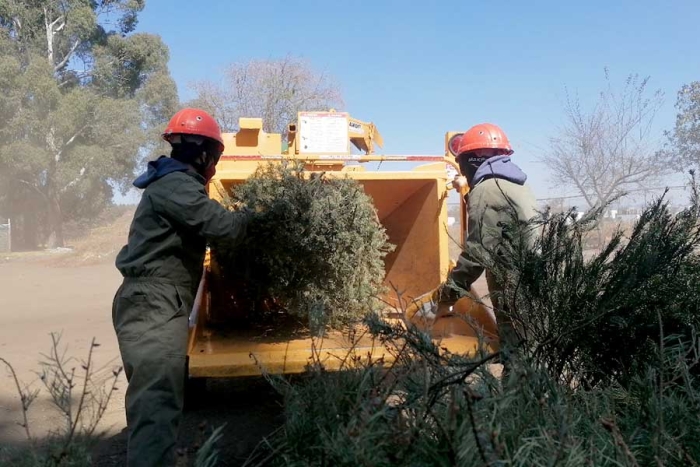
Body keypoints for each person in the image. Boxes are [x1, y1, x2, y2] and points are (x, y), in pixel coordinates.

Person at [112, 108, 251, 466]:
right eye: (215, 158)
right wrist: (259, 216)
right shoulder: (176, 186)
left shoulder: (170, 183)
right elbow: (224, 227)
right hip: (154, 306)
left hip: (155, 303)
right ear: (205, 154)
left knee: (154, 405)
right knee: (156, 406)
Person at [438, 123, 538, 355]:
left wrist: (448, 294)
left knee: (517, 358)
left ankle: (515, 391)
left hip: (514, 290)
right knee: (531, 352)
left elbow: (478, 253)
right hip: (531, 281)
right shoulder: (517, 184)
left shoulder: (487, 190)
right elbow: (496, 222)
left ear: (472, 160)